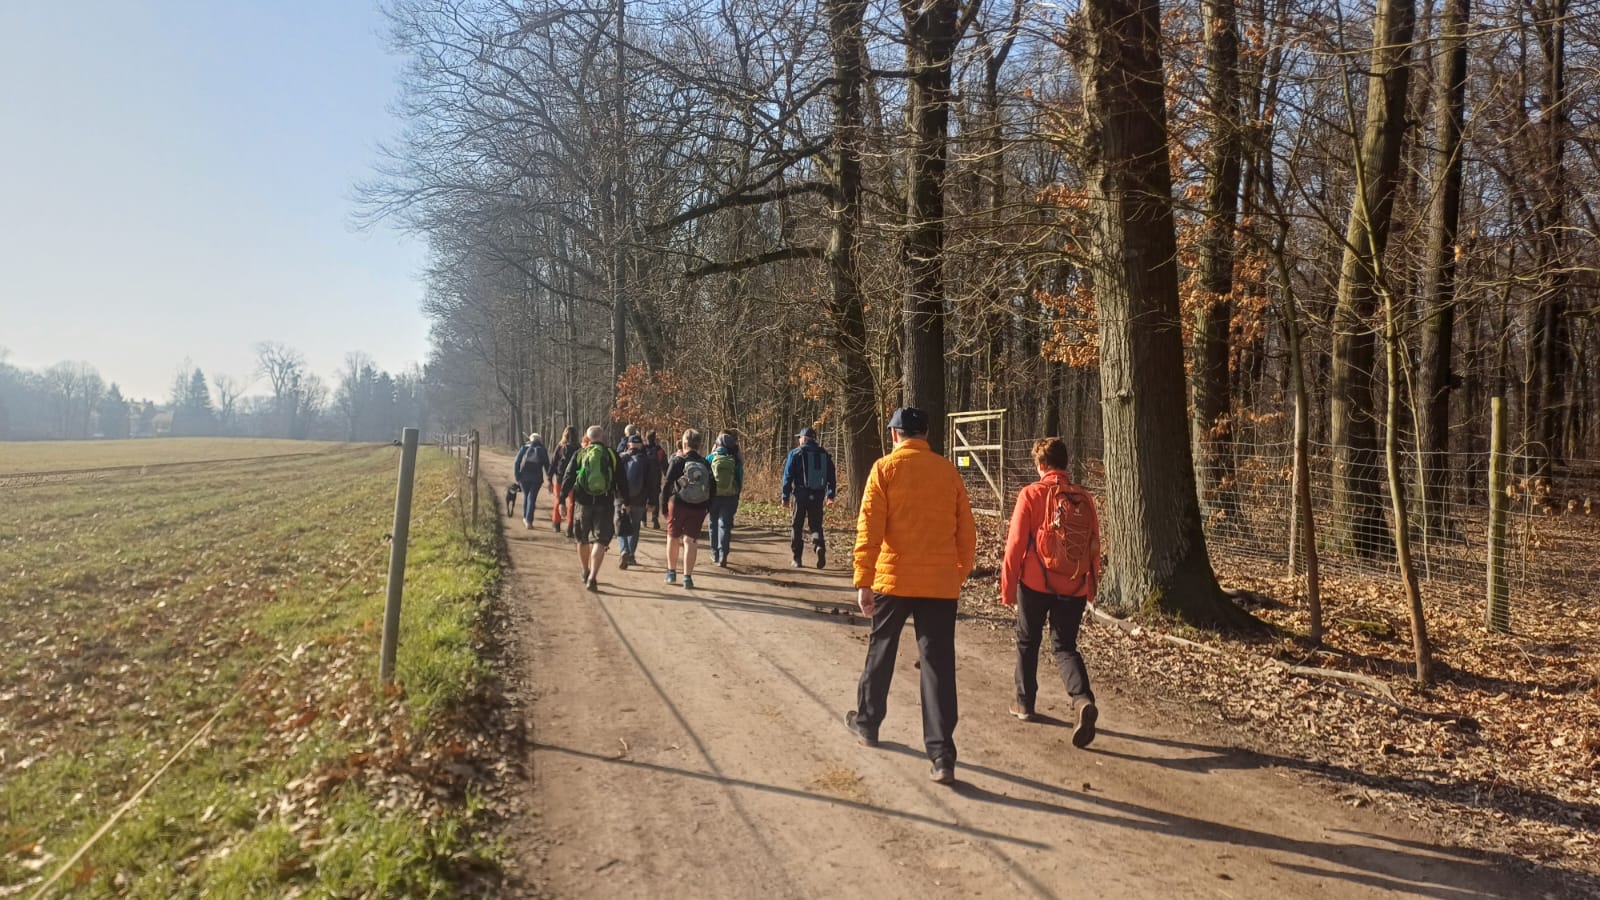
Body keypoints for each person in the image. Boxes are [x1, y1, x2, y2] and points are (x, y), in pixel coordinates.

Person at [845, 407, 975, 785]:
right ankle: (941, 754)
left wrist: (864, 580)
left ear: (895, 435)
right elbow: (967, 534)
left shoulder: (884, 469)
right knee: (937, 664)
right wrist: (955, 574)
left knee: (881, 649)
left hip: (893, 579)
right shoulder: (948, 472)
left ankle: (868, 723)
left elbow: (869, 529)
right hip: (938, 585)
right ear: (926, 435)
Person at [1000, 437, 1101, 748]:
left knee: (1028, 640)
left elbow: (1015, 545)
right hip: (1074, 583)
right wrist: (1091, 585)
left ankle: (1024, 703)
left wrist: (1007, 589)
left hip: (1035, 583)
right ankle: (1082, 700)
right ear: (1065, 464)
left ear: (1041, 465)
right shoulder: (1084, 498)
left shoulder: (1031, 494)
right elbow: (1094, 545)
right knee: (1065, 646)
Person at [559, 425, 621, 592]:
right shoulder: (611, 454)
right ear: (603, 437)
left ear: (587, 438)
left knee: (582, 539)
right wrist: (625, 502)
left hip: (582, 502)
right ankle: (593, 577)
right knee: (600, 541)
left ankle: (585, 570)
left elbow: (568, 477)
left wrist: (561, 500)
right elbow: (621, 479)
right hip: (605, 503)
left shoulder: (580, 453)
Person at [660, 428, 716, 589]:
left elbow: (666, 484)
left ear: (684, 443)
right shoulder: (705, 463)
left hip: (677, 504)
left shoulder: (678, 461)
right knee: (690, 541)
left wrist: (663, 507)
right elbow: (713, 487)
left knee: (673, 537)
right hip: (699, 507)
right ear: (699, 445)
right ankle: (687, 578)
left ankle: (671, 573)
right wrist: (707, 507)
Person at [781, 426, 837, 568]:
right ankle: (819, 546)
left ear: (804, 439)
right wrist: (830, 495)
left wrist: (785, 496)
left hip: (800, 495)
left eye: (800, 438)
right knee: (816, 525)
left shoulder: (795, 453)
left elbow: (787, 476)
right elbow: (831, 476)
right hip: (818, 495)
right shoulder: (824, 454)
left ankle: (797, 558)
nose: (799, 440)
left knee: (797, 526)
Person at [615, 433, 658, 569]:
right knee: (635, 527)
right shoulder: (647, 461)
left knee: (620, 525)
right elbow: (652, 483)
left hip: (621, 499)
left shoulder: (621, 458)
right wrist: (652, 501)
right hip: (640, 499)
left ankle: (624, 550)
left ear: (628, 445)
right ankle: (631, 555)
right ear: (641, 445)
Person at [705, 432, 744, 567]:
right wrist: (737, 493)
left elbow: (705, 476)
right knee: (725, 525)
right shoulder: (735, 460)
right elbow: (739, 479)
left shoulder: (710, 457)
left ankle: (714, 553)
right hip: (730, 496)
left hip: (713, 496)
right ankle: (723, 555)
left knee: (713, 524)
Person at [511, 432, 549, 528]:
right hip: (537, 478)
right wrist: (549, 478)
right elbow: (547, 465)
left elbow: (516, 462)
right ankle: (528, 520)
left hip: (524, 477)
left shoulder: (524, 448)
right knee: (531, 498)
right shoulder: (542, 449)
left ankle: (526, 518)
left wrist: (517, 476)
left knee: (526, 496)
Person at [548, 426, 580, 537]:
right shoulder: (579, 448)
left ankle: (556, 524)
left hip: (560, 479)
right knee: (572, 504)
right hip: (573, 480)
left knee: (558, 500)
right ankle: (570, 528)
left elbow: (553, 463)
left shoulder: (560, 447)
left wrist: (549, 478)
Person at [644, 430, 669, 529]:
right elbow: (665, 467)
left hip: (644, 479)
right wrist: (667, 478)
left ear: (646, 438)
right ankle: (655, 519)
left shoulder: (643, 449)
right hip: (656, 479)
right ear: (655, 438)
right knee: (655, 499)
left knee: (644, 498)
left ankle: (643, 520)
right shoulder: (660, 450)